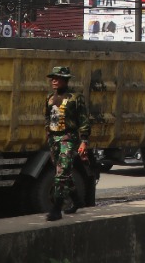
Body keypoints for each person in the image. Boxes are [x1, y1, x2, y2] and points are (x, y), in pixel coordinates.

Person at [44, 66, 90, 222]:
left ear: (65, 79)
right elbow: (47, 118)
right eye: (52, 78)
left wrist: (84, 141)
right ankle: (77, 200)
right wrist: (48, 134)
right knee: (64, 172)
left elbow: (83, 120)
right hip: (54, 140)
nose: (54, 81)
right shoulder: (50, 98)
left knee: (61, 174)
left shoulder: (75, 98)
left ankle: (56, 208)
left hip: (68, 138)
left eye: (57, 78)